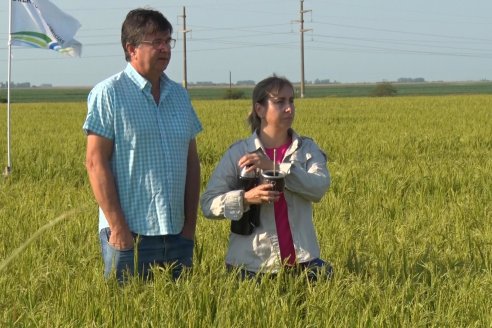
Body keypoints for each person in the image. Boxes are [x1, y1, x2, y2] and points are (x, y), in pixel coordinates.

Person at [83, 8, 202, 282]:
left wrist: (189, 228)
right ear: (131, 48)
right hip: (129, 236)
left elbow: (191, 162)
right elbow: (95, 163)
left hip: (176, 235)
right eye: (155, 42)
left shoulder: (180, 96)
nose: (164, 48)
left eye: (168, 41)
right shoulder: (109, 93)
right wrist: (118, 228)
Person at [200, 76, 333, 281]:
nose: (289, 108)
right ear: (259, 109)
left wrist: (276, 168)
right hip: (251, 266)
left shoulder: (307, 149)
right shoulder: (239, 153)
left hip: (303, 262)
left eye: (291, 101)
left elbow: (319, 188)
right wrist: (245, 198)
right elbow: (208, 205)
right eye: (280, 102)